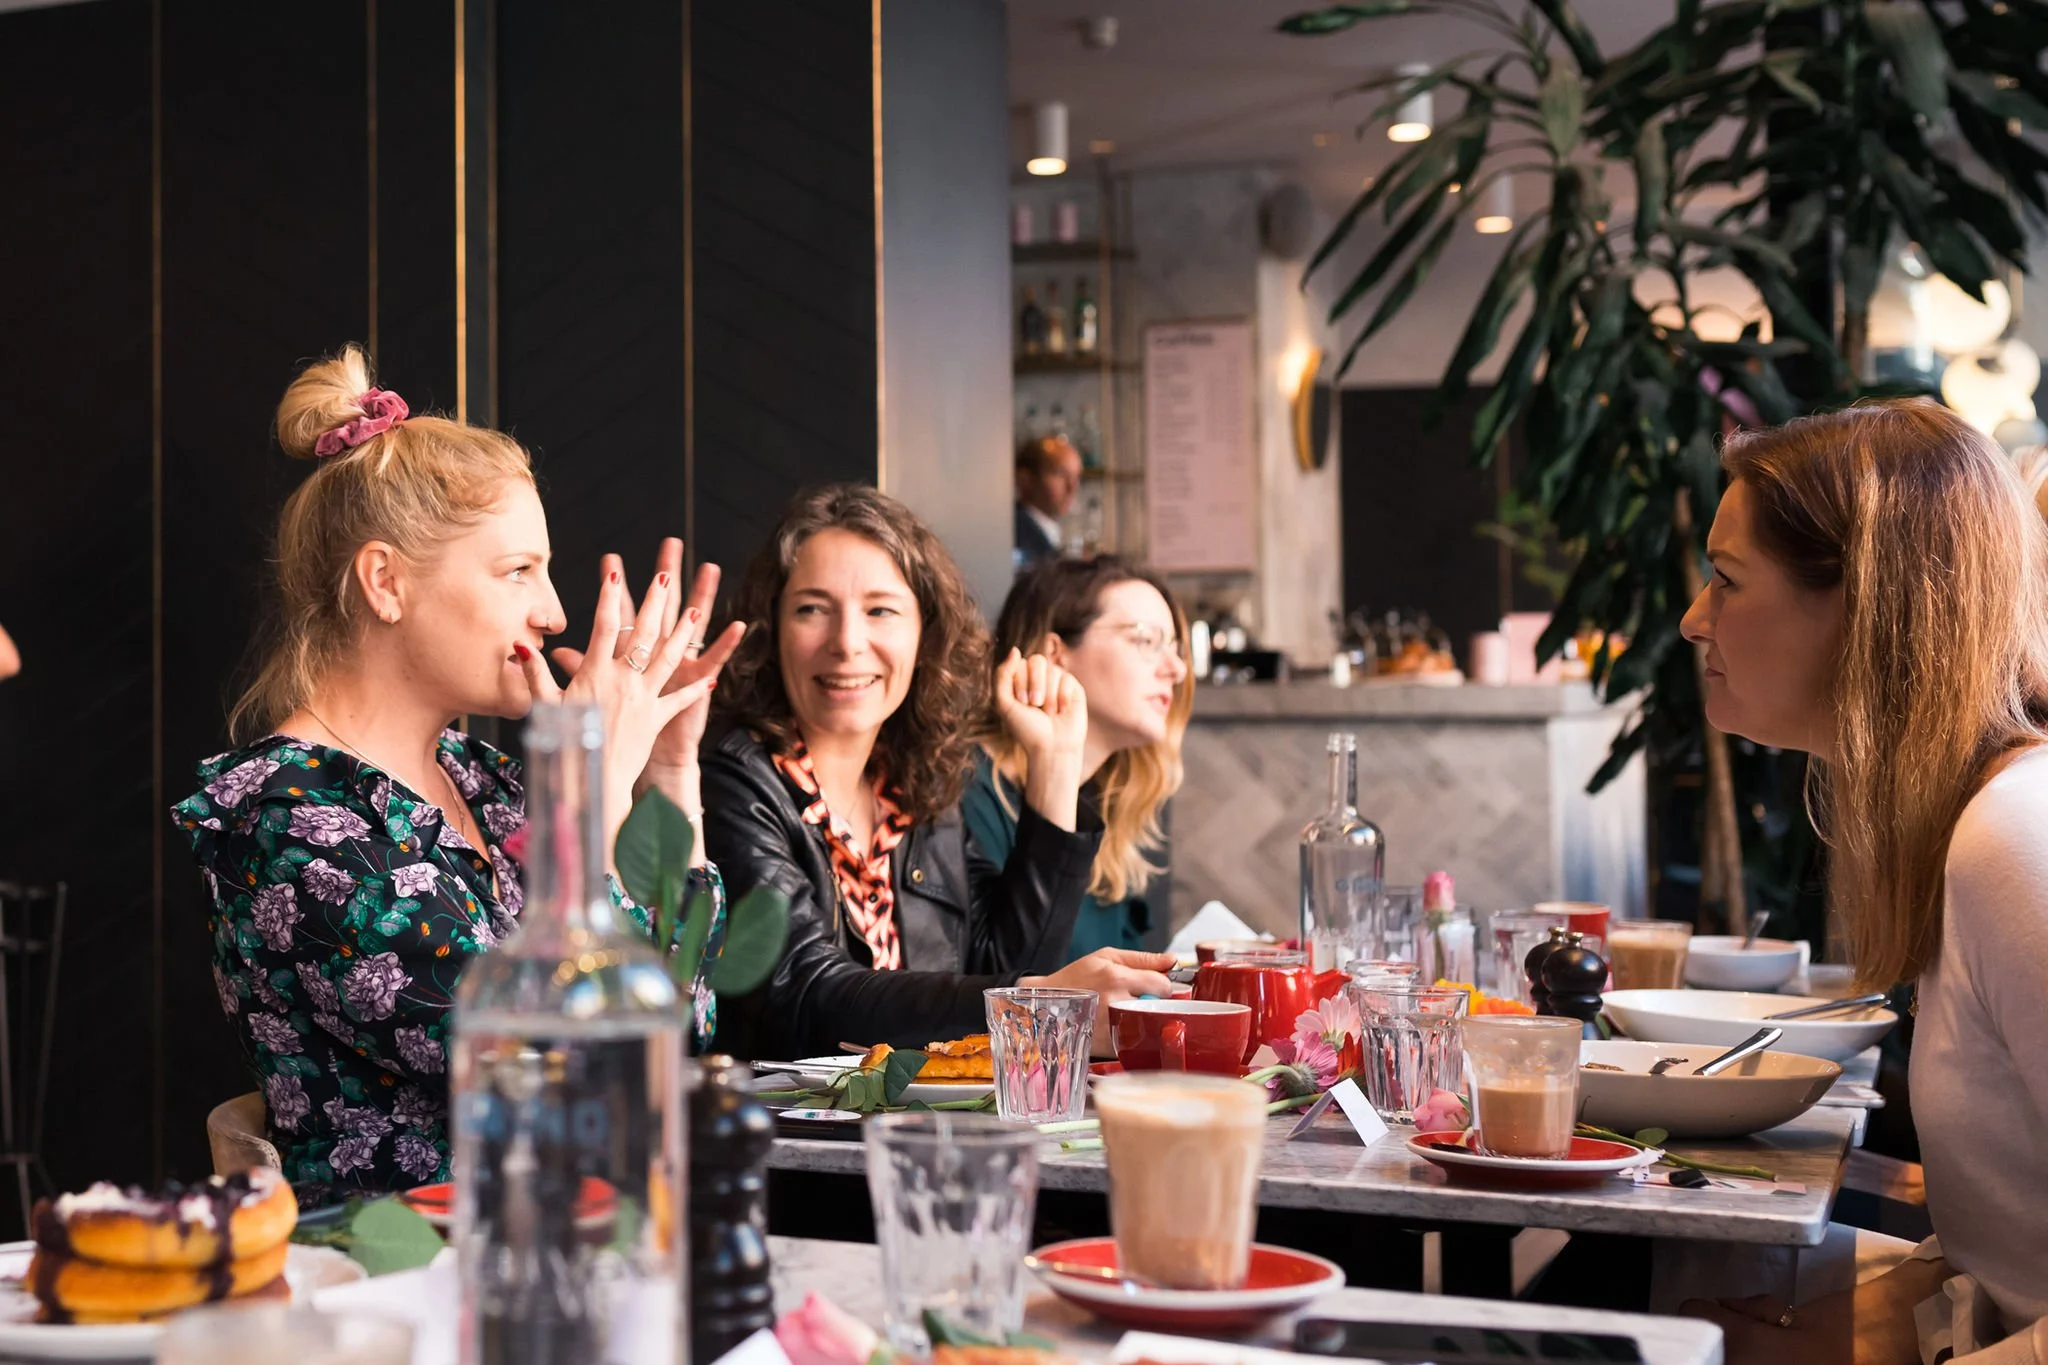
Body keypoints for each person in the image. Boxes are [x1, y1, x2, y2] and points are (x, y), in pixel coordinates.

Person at [172, 345, 742, 1204]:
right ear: (385, 583)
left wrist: (664, 770)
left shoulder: (482, 780)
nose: (553, 613)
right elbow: (578, 1078)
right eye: (518, 571)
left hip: (570, 1253)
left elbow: (685, 1027)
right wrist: (592, 799)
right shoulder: (286, 820)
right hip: (405, 1294)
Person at [1675, 399, 2048, 1365]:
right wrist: (1930, 1296)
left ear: (1866, 605)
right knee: (1662, 1283)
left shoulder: (2014, 839)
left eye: (1725, 581)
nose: (1692, 618)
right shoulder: (1969, 817)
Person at [702, 484, 1176, 1062]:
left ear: (925, 633)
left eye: (880, 610)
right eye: (812, 609)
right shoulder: (736, 781)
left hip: (919, 1133)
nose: (848, 643)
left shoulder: (915, 785)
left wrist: (1054, 763)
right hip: (788, 1145)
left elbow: (1004, 968)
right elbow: (802, 993)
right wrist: (1028, 1002)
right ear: (773, 632)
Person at [961, 557, 1193, 961]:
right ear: (1056, 653)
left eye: (1174, 649)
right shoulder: (964, 797)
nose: (1175, 668)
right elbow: (1003, 984)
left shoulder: (1107, 808)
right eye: (1146, 640)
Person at [1013, 435, 1081, 573]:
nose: (1072, 487)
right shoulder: (1015, 532)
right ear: (1025, 479)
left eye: (1076, 476)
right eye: (1060, 474)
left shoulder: (1047, 531)